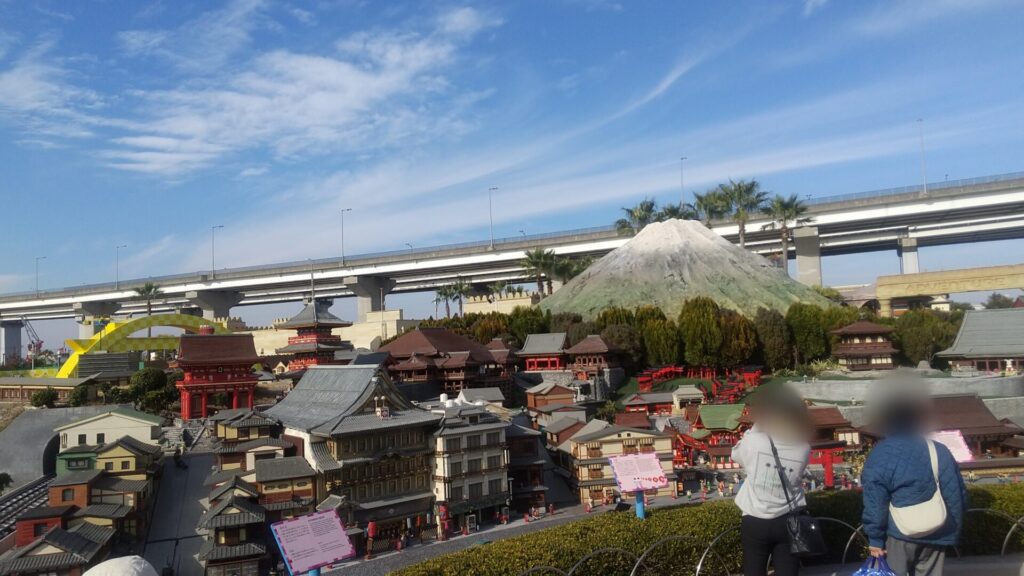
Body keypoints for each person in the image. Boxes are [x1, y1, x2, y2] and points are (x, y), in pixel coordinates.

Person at [862, 394, 967, 576]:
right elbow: (958, 493)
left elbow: (875, 501)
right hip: (937, 528)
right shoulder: (938, 449)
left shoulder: (881, 453)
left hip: (898, 533)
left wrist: (875, 538)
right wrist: (952, 527)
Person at [732, 385, 812, 576]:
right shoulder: (803, 447)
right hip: (788, 518)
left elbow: (736, 455)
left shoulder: (755, 442)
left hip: (754, 518)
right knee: (788, 569)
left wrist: (758, 426)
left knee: (754, 568)